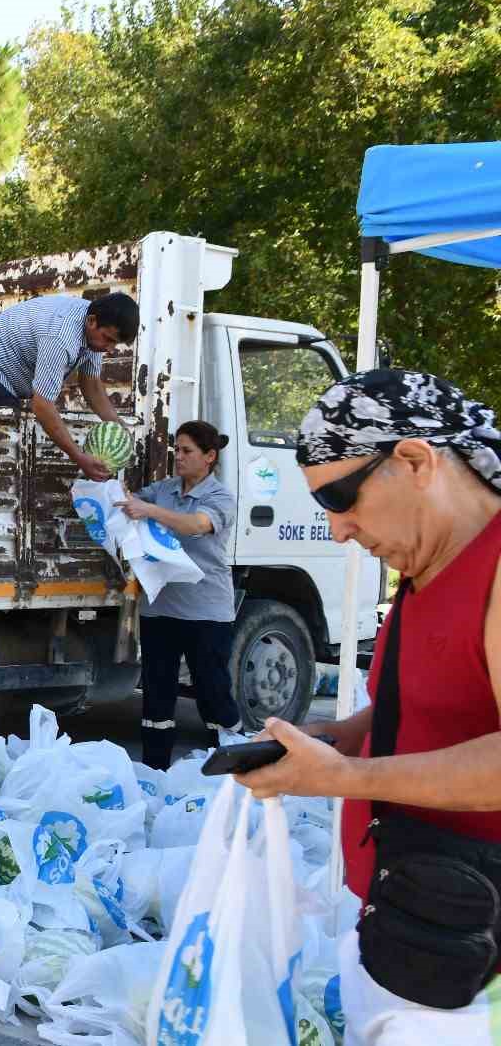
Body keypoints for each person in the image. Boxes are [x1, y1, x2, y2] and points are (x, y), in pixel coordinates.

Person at [236, 369, 501, 1039]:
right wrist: (347, 734)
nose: (338, 530)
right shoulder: (425, 562)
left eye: (342, 496)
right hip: (409, 918)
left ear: (414, 461)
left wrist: (349, 779)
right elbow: (435, 703)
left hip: (474, 950)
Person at [113, 420, 242, 769]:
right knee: (157, 695)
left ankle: (236, 764)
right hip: (161, 610)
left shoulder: (220, 497)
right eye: (177, 450)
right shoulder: (166, 489)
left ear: (209, 456)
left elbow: (196, 525)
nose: (179, 458)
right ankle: (155, 770)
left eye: (187, 451)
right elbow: (129, 504)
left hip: (206, 612)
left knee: (212, 693)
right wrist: (109, 484)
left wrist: (149, 510)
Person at [0, 291, 139, 481]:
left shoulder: (94, 334)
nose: (110, 349)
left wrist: (118, 426)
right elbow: (42, 405)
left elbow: (91, 385)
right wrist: (78, 457)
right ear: (92, 321)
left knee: (5, 457)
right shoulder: (61, 336)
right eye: (108, 339)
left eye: (115, 343)